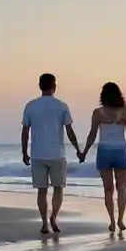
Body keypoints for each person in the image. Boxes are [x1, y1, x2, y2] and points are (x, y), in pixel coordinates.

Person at [21, 73, 82, 235]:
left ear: (40, 86)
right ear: (54, 86)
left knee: (42, 190)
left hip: (37, 154)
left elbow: (25, 131)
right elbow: (69, 131)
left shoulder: (30, 106)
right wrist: (78, 149)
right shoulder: (61, 105)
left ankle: (44, 224)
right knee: (58, 188)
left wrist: (24, 151)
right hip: (57, 153)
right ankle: (53, 217)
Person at [78, 81, 126, 232]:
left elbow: (92, 134)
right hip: (121, 151)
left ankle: (112, 221)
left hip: (104, 152)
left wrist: (84, 152)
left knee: (108, 189)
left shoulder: (98, 113)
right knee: (122, 188)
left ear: (103, 95)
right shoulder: (124, 112)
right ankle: (120, 220)